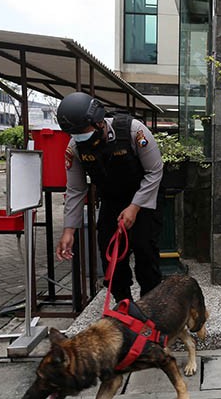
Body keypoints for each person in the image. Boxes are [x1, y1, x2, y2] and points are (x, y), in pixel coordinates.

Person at [55, 92, 164, 302]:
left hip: (145, 197)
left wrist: (135, 206)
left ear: (98, 121)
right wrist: (69, 231)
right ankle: (123, 304)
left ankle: (152, 304)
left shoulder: (134, 131)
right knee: (110, 252)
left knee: (145, 250)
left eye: (82, 131)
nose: (78, 137)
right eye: (73, 133)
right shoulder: (75, 147)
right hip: (112, 201)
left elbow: (155, 172)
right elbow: (76, 190)